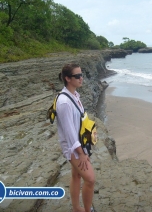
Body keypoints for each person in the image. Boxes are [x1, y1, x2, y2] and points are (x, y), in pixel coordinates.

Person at [56, 63, 95, 212]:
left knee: (76, 176)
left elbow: (79, 121)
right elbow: (69, 132)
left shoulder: (74, 95)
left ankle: (76, 208)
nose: (81, 78)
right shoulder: (64, 102)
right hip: (73, 148)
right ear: (67, 78)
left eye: (81, 75)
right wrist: (81, 153)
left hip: (79, 143)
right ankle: (86, 210)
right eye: (77, 76)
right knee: (90, 179)